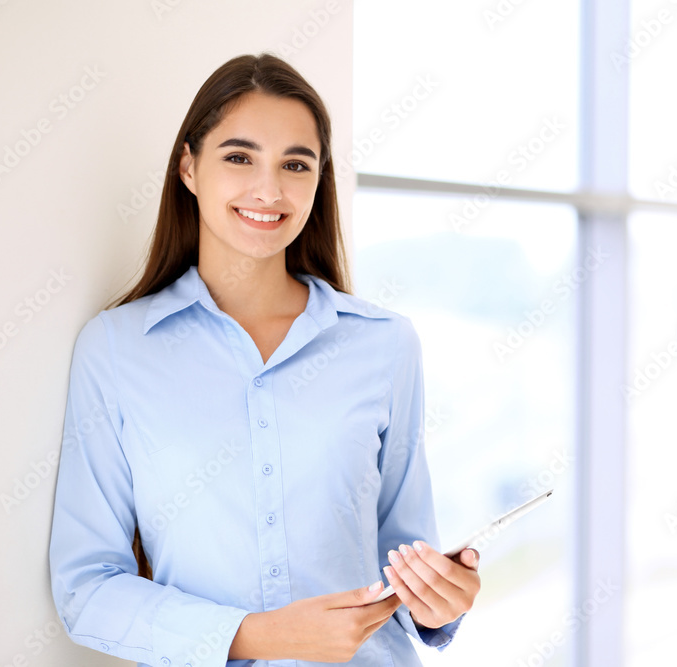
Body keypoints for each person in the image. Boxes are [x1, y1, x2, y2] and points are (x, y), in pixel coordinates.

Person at [48, 53, 480, 667]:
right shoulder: (117, 349)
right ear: (189, 167)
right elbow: (86, 589)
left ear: (318, 180)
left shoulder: (385, 345)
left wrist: (439, 602)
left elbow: (404, 559)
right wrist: (257, 635)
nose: (269, 191)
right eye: (239, 157)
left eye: (295, 165)